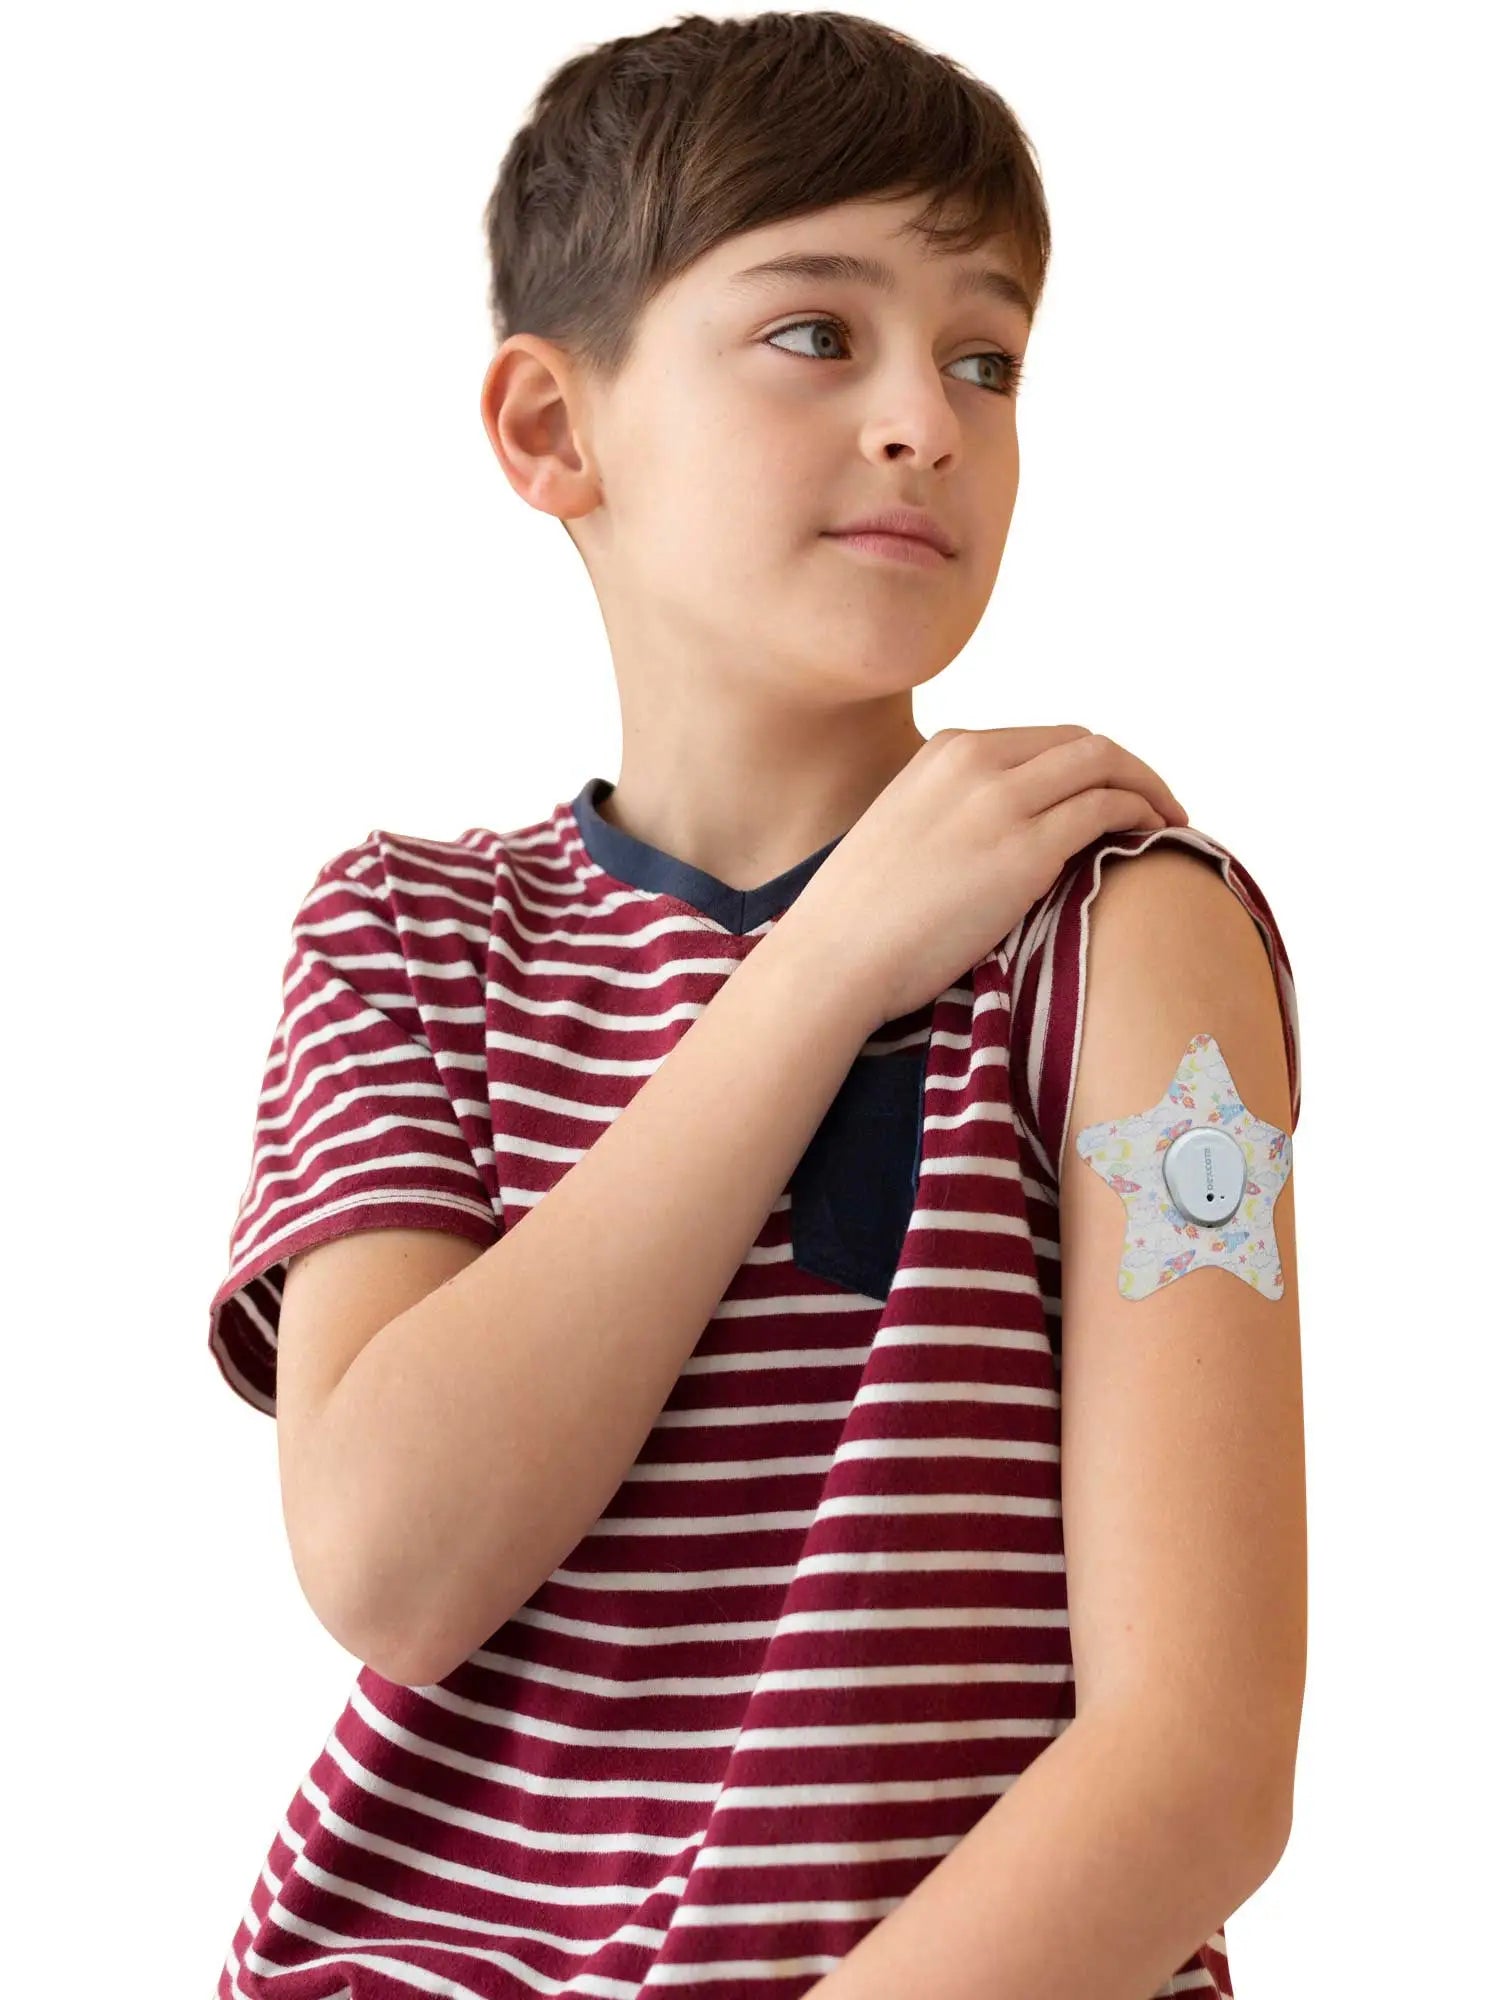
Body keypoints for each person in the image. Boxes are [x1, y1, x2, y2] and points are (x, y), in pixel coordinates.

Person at [207, 14, 1305, 1998]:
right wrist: (822, 967)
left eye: (986, 358)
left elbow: (1199, 1769)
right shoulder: (405, 939)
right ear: (553, 430)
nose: (927, 419)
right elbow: (392, 1562)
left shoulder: (1128, 936)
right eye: (818, 333)